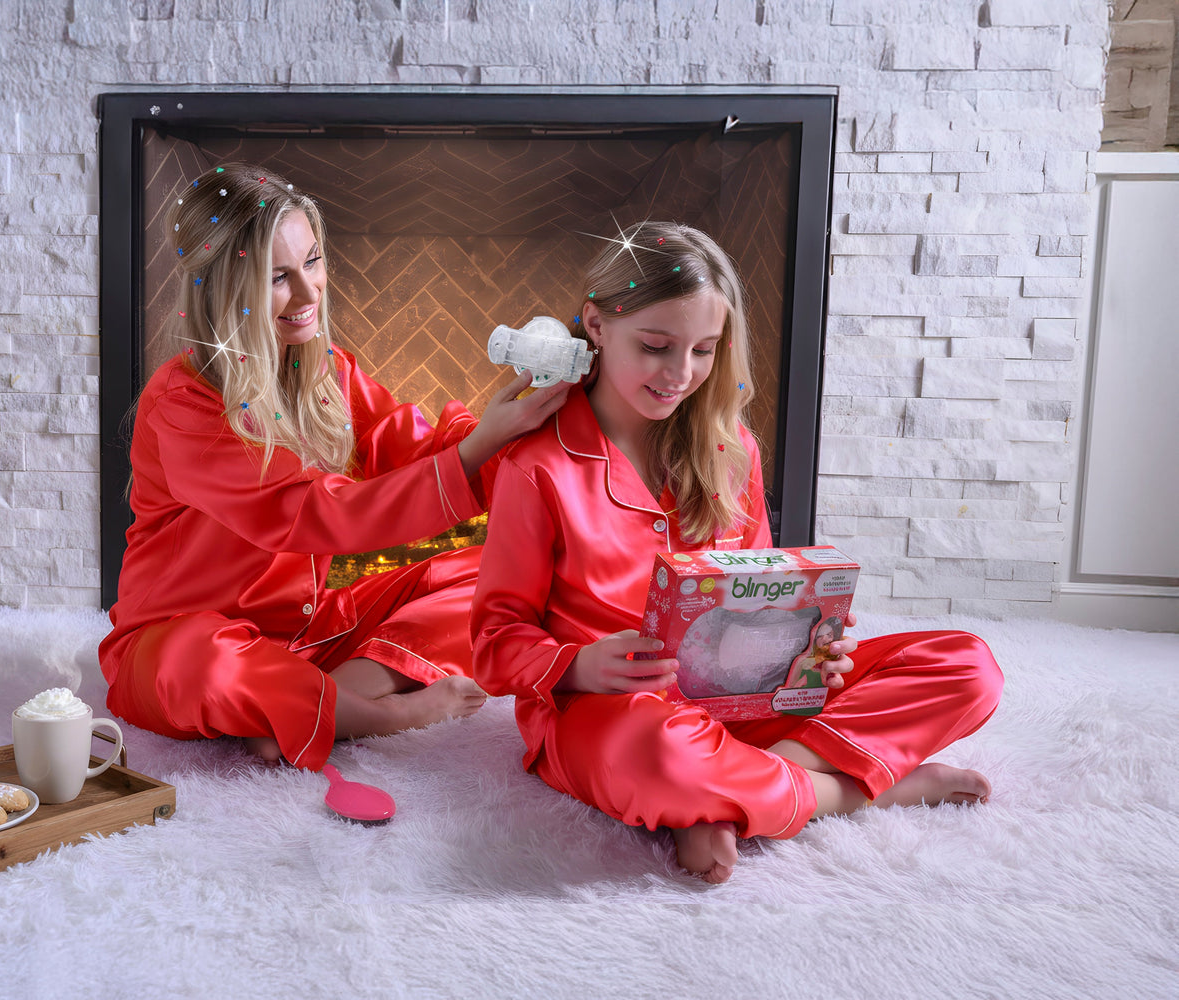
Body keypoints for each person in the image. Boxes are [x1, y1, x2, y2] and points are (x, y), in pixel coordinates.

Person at [470, 221, 1003, 884]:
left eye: (703, 350)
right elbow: (493, 643)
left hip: (743, 707)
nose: (681, 374)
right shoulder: (537, 467)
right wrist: (577, 664)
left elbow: (759, 593)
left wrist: (809, 648)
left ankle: (721, 798)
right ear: (596, 326)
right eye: (657, 346)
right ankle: (858, 790)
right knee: (663, 755)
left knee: (968, 667)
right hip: (606, 716)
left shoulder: (732, 451)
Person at [99, 163, 570, 771]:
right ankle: (384, 712)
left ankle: (324, 700)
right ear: (222, 290)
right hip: (184, 636)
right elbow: (311, 514)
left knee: (491, 565)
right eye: (278, 278)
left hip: (317, 625)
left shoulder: (325, 372)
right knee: (197, 663)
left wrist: (522, 429)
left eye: (313, 263)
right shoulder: (182, 404)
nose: (308, 292)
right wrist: (477, 451)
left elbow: (414, 444)